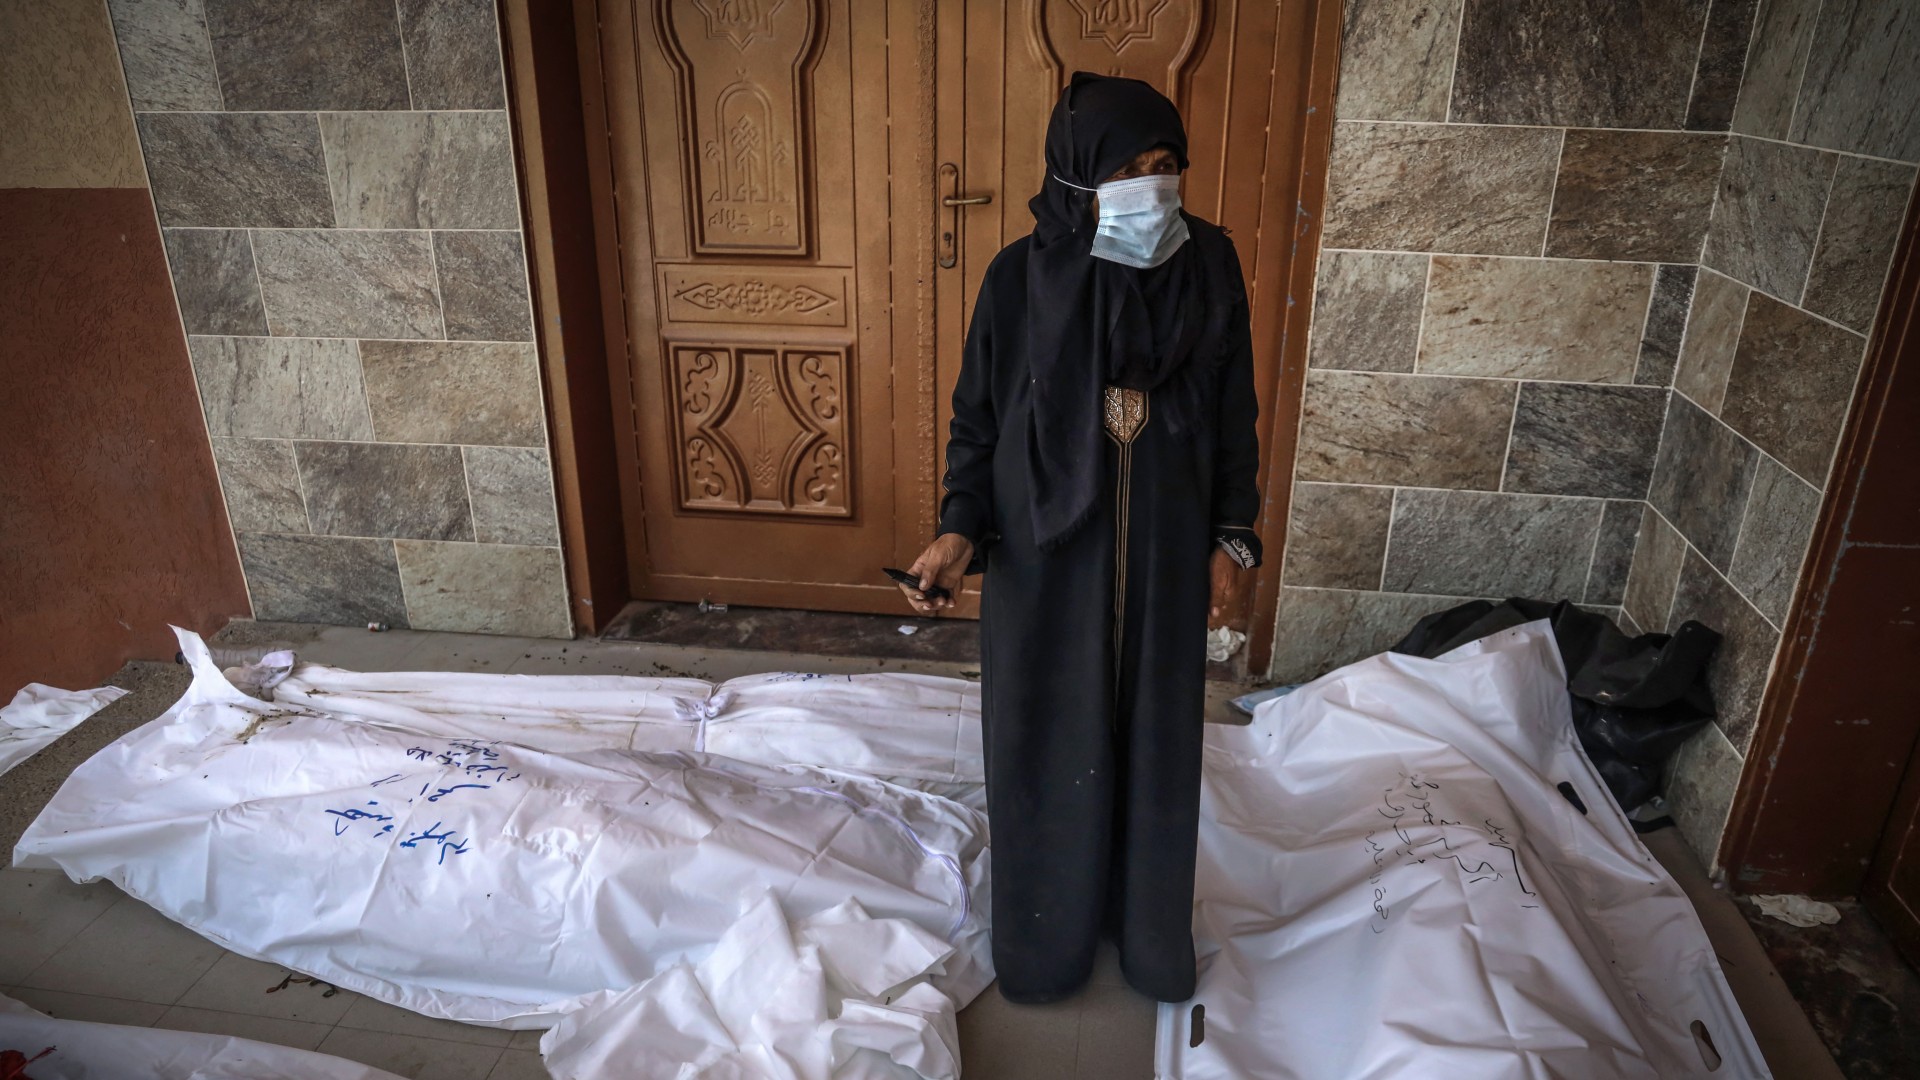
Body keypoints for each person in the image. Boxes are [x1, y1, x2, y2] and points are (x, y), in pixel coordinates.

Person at [896, 72, 1263, 1005]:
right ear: (1076, 179)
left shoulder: (1211, 265)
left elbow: (1234, 416)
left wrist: (1235, 538)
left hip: (1167, 555)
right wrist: (956, 531)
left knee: (1153, 738)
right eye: (1126, 169)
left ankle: (1144, 935)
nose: (1152, 187)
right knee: (1047, 735)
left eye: (1166, 165)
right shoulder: (1018, 279)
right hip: (1045, 554)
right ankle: (1046, 942)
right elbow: (977, 422)